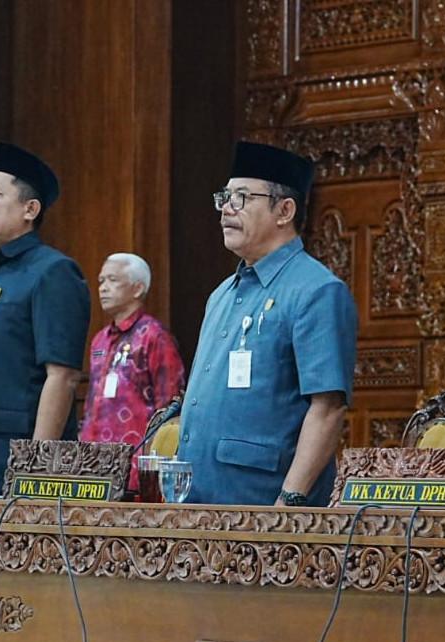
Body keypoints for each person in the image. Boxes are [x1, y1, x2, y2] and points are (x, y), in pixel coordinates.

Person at [176, 141, 357, 506]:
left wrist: (290, 501)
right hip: (198, 502)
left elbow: (327, 408)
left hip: (265, 506)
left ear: (284, 210)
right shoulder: (221, 295)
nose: (227, 208)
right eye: (224, 197)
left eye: (242, 197)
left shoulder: (317, 290)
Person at [0, 142, 91, 494]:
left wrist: (37, 468)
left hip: (15, 464)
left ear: (30, 209)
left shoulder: (53, 271)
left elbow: (63, 375)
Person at [80, 253, 185, 489]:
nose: (103, 288)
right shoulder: (99, 340)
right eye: (101, 281)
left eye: (112, 280)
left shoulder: (154, 336)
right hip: (93, 463)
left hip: (135, 465)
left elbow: (170, 408)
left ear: (137, 289)